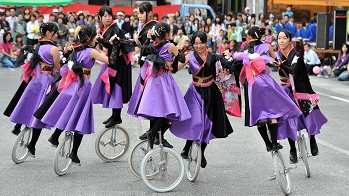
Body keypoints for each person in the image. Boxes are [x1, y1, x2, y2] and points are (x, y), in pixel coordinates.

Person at [38, 26, 120, 164]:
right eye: (95, 38)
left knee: (67, 111)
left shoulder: (75, 48)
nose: (96, 40)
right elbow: (111, 62)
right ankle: (74, 153)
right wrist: (115, 47)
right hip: (83, 86)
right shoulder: (91, 51)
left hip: (70, 84)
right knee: (81, 119)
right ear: (89, 39)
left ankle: (55, 135)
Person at [121, 22, 190, 150]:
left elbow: (143, 49)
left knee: (156, 110)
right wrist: (180, 50)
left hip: (152, 79)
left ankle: (154, 136)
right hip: (164, 79)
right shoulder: (170, 45)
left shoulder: (153, 45)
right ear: (168, 34)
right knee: (169, 110)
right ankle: (152, 134)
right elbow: (180, 59)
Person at [170, 31, 235, 168]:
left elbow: (226, 69)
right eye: (196, 43)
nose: (199, 46)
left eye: (201, 43)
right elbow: (175, 69)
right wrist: (177, 56)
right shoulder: (190, 56)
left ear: (206, 42)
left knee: (207, 125)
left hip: (211, 92)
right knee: (195, 122)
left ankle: (202, 152)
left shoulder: (214, 57)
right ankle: (187, 147)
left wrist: (232, 59)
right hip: (195, 91)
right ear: (193, 44)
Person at [233, 26, 302, 153]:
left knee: (258, 114)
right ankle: (275, 143)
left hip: (251, 83)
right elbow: (275, 62)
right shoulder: (267, 46)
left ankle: (268, 144)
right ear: (261, 36)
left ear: (249, 37)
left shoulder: (244, 50)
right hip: (265, 81)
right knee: (273, 111)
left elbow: (235, 65)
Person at [115, 2, 173, 147]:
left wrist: (148, 38)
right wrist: (119, 41)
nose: (139, 16)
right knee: (152, 101)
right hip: (147, 68)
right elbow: (136, 43)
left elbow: (152, 48)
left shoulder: (154, 27)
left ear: (149, 12)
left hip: (155, 69)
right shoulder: (142, 27)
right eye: (138, 14)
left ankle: (155, 133)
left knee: (157, 102)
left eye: (141, 13)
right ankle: (153, 132)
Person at [7, 23, 61, 157]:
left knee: (27, 103)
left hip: (36, 79)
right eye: (54, 33)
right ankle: (32, 145)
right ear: (48, 33)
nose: (56, 35)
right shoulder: (53, 49)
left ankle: (17, 126)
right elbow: (59, 68)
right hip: (46, 81)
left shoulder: (39, 46)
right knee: (40, 111)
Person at [276, 30, 328, 163]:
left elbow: (293, 69)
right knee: (287, 119)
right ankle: (292, 149)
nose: (281, 41)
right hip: (285, 90)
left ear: (290, 40)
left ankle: (313, 139)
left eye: (284, 38)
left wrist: (280, 64)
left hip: (299, 89)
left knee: (308, 115)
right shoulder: (276, 55)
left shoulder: (296, 55)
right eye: (279, 38)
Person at [91, 6, 134, 128]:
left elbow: (114, 46)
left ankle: (117, 116)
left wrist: (101, 41)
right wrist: (101, 40)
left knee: (116, 87)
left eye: (109, 15)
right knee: (112, 86)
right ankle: (114, 115)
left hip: (119, 62)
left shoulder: (115, 29)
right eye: (104, 16)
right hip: (112, 61)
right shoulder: (105, 28)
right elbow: (109, 45)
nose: (107, 18)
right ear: (100, 17)